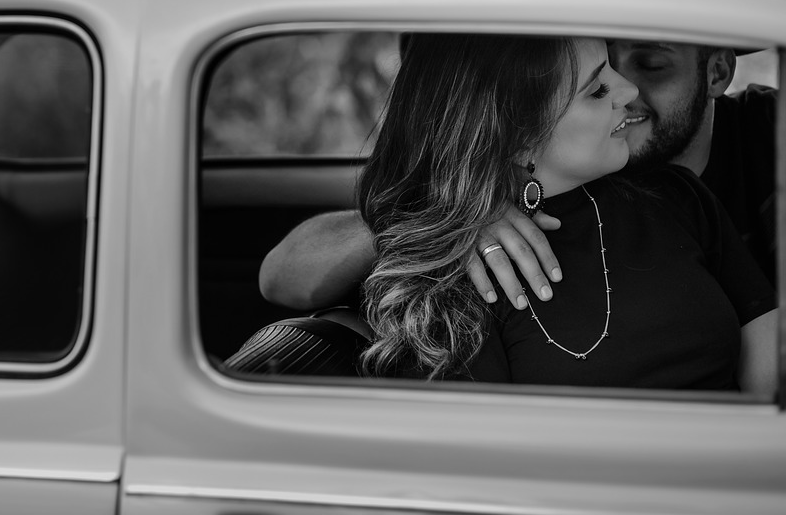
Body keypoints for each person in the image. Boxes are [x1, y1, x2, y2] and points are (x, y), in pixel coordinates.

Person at [353, 34, 775, 389]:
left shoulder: (679, 196)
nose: (626, 90)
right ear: (518, 136)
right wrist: (452, 219)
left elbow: (770, 371)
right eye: (597, 89)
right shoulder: (459, 282)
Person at [260, 39, 777, 312]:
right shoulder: (547, 169)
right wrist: (455, 218)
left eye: (651, 64)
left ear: (718, 73)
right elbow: (285, 277)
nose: (625, 89)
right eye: (600, 77)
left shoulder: (766, 138)